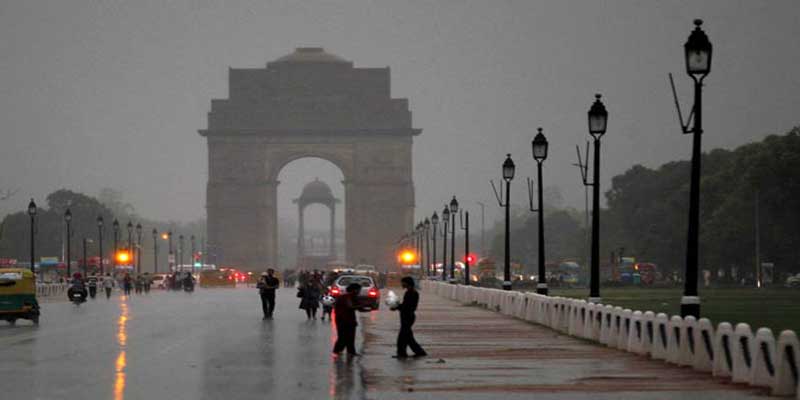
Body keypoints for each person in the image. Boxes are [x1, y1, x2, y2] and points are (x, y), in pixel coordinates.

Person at [392, 277, 427, 358]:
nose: (402, 284)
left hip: (408, 317)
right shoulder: (409, 292)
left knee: (402, 337)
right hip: (406, 316)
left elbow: (407, 306)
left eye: (403, 283)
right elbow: (405, 305)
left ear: (407, 283)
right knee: (408, 337)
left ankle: (402, 354)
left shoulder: (412, 293)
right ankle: (419, 352)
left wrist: (397, 307)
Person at [332, 283, 361, 356]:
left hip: (349, 319)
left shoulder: (353, 297)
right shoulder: (346, 297)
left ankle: (350, 352)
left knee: (350, 336)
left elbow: (357, 305)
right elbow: (350, 306)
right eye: (358, 290)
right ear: (354, 290)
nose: (359, 292)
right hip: (343, 319)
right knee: (343, 336)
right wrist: (360, 306)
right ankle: (337, 351)